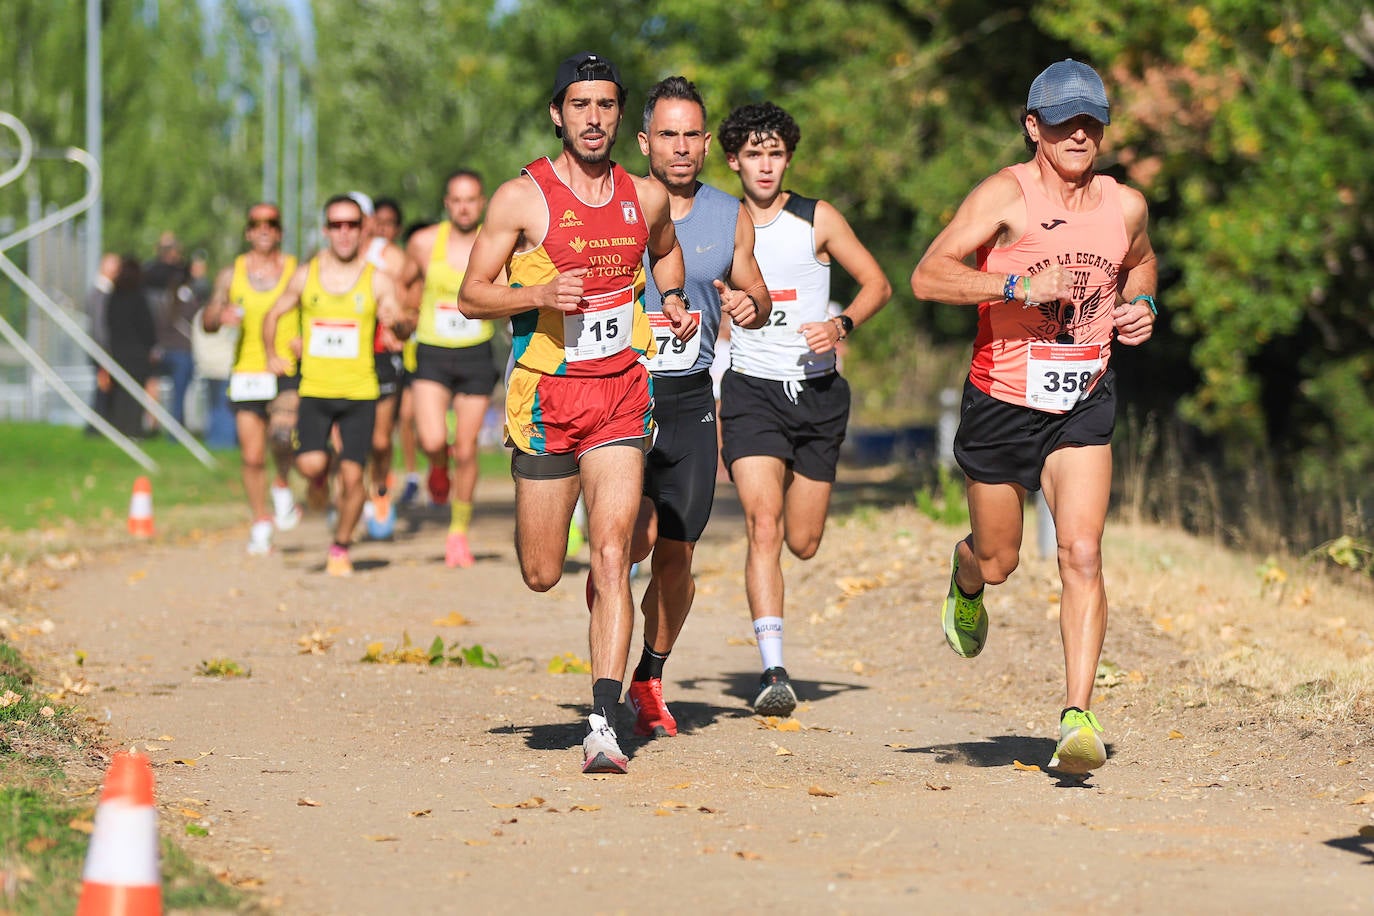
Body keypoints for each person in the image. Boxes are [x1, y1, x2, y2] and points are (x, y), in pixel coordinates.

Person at [910, 59, 1158, 774]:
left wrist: (1141, 305)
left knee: (1081, 553)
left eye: (1091, 121)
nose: (1079, 133)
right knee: (1002, 558)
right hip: (1002, 402)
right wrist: (1015, 281)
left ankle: (1077, 715)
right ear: (1033, 126)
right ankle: (965, 574)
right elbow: (929, 275)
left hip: (1083, 398)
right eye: (1063, 121)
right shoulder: (1004, 196)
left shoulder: (1126, 205)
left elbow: (1140, 264)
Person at [458, 51, 695, 774]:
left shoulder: (645, 196)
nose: (594, 119)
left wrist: (675, 302)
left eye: (606, 105)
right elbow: (471, 295)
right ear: (558, 114)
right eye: (580, 105)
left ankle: (604, 719)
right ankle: (600, 619)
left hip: (621, 390)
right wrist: (535, 296)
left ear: (621, 116)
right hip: (545, 396)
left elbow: (666, 256)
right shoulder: (520, 198)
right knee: (540, 570)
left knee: (614, 551)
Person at [717, 100, 892, 717]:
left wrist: (840, 323)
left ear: (788, 158)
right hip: (750, 390)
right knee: (762, 527)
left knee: (804, 540)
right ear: (733, 159)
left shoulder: (816, 218)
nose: (765, 167)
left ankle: (776, 651)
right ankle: (774, 671)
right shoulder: (719, 221)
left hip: (817, 396)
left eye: (776, 154)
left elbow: (878, 284)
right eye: (753, 155)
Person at [623, 76, 772, 738]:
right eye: (668, 135)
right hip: (620, 396)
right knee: (633, 538)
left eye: (691, 136)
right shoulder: (615, 204)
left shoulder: (729, 213)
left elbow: (758, 293)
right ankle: (606, 675)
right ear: (644, 140)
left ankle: (649, 676)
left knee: (677, 554)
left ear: (707, 142)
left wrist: (750, 306)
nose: (680, 148)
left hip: (689, 400)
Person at [263, 194, 413, 576]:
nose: (344, 232)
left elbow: (396, 316)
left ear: (363, 229)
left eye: (351, 224)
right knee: (311, 464)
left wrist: (399, 327)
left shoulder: (376, 279)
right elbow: (274, 311)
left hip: (360, 392)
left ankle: (340, 547)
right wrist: (271, 352)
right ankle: (321, 475)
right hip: (315, 390)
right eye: (336, 225)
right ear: (326, 229)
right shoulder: (306, 275)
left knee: (354, 479)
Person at [403, 171, 501, 568]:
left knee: (466, 446)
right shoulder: (424, 242)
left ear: (482, 204)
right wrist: (405, 313)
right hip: (432, 350)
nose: (464, 207)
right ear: (447, 204)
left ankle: (458, 531)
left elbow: (507, 288)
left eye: (471, 199)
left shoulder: (494, 243)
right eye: (457, 200)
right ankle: (436, 466)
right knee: (430, 439)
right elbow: (406, 282)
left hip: (476, 352)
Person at [202, 203, 303, 555]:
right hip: (247, 372)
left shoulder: (296, 270)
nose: (264, 229)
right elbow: (208, 321)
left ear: (280, 231)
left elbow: (317, 309)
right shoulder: (231, 274)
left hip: (285, 367)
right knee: (253, 455)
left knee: (282, 435)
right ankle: (260, 520)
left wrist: (304, 340)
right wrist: (219, 314)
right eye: (256, 223)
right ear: (247, 231)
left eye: (271, 223)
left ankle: (281, 484)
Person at [350, 192, 412, 540]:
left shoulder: (391, 258)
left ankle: (380, 490)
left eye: (361, 218)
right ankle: (350, 497)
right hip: (342, 358)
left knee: (378, 438)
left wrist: (397, 324)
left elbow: (402, 300)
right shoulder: (327, 259)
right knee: (344, 440)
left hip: (380, 354)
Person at [144, 231, 194, 432]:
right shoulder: (166, 276)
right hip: (166, 343)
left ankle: (165, 427)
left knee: (163, 386)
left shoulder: (180, 275)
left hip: (170, 343)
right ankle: (158, 425)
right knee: (154, 384)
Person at [104, 256, 159, 439]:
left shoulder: (113, 298)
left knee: (120, 394)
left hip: (118, 352)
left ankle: (120, 429)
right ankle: (133, 430)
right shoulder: (139, 298)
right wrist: (151, 347)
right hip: (137, 355)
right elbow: (147, 327)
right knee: (135, 394)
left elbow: (109, 325)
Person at [85, 252, 121, 431]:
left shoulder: (102, 292)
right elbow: (100, 326)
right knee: (103, 388)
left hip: (102, 348)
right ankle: (96, 427)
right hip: (102, 349)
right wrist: (105, 351)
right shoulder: (101, 293)